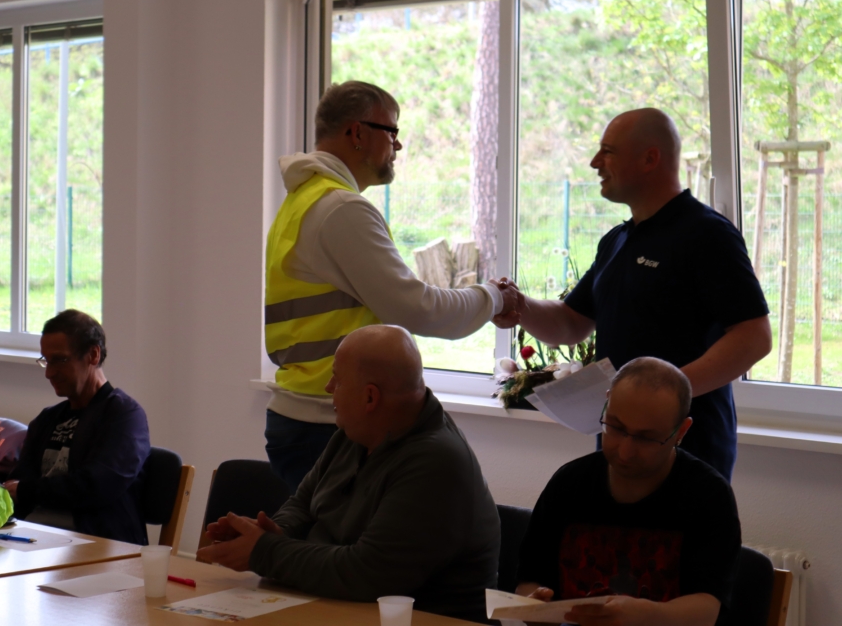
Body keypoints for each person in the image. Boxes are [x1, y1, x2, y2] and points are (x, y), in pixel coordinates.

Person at [265, 80, 518, 491]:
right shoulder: (340, 209)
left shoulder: (303, 201)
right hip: (331, 423)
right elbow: (417, 309)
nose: (397, 145)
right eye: (391, 131)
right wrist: (493, 298)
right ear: (356, 133)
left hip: (306, 415)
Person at [494, 108, 770, 480]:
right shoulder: (618, 240)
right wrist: (520, 305)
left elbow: (754, 337)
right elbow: (571, 323)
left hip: (688, 446)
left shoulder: (707, 234)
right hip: (619, 443)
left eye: (607, 151)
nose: (595, 162)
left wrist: (661, 394)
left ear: (649, 159)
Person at [198, 326, 500, 623]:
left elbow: (366, 573)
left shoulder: (437, 463)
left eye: (337, 379)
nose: (329, 387)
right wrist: (276, 533)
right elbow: (303, 504)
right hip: (338, 610)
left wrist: (264, 551)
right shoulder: (358, 431)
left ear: (370, 398)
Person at [516, 357, 741, 626]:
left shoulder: (708, 497)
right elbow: (529, 581)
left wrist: (647, 616)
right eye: (616, 427)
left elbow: (706, 610)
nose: (624, 452)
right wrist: (533, 605)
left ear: (681, 431)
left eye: (646, 438)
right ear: (606, 403)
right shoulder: (569, 484)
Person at [3, 310, 150, 544]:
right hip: (31, 537)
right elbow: (17, 484)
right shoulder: (46, 419)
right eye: (46, 360)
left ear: (93, 355)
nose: (49, 373)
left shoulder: (124, 415)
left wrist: (26, 490)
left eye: (59, 360)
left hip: (97, 545)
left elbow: (97, 486)